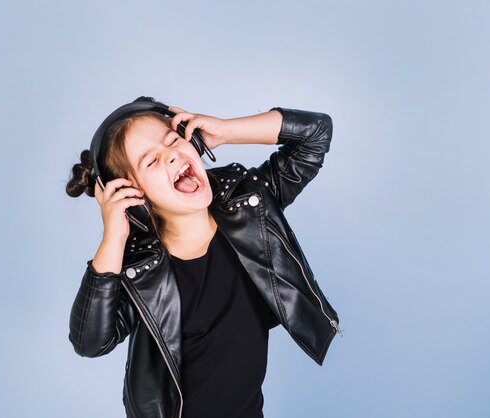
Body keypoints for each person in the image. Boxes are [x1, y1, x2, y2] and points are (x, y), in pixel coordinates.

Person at [66, 96, 341, 418]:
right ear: (133, 195)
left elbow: (315, 134)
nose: (169, 155)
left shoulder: (250, 204)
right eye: (151, 162)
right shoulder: (136, 269)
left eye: (172, 142)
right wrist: (114, 235)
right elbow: (90, 342)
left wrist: (226, 131)